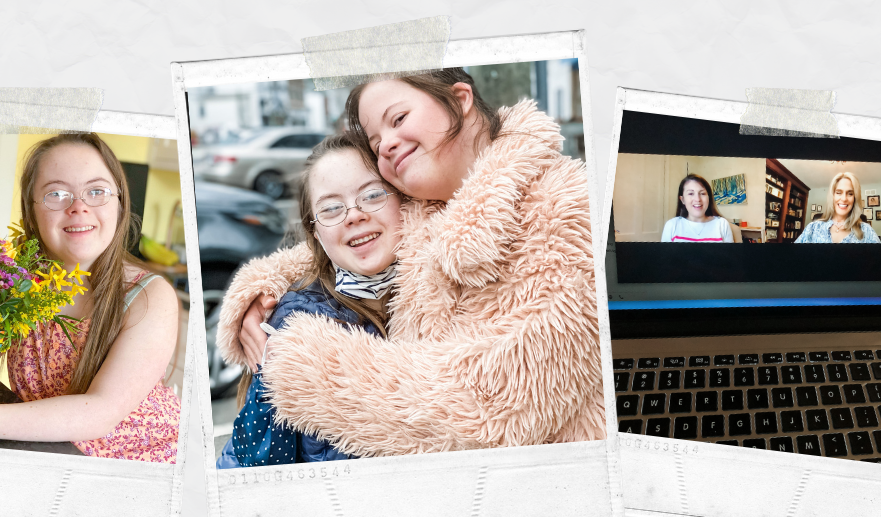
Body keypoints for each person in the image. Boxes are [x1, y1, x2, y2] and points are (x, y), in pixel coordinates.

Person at [217, 69, 604, 458]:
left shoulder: (564, 208)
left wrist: (306, 364)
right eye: (375, 141)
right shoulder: (435, 199)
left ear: (459, 99)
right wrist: (266, 288)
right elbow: (351, 239)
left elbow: (495, 410)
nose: (386, 144)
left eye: (398, 119)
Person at [0, 133, 182, 463]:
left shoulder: (149, 295)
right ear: (32, 212)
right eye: (57, 194)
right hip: (53, 453)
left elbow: (101, 412)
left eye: (97, 191)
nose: (79, 206)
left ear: (120, 203)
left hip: (137, 470)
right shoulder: (13, 279)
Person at [216, 134, 402, 468]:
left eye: (372, 194)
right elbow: (253, 464)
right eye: (331, 208)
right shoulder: (295, 323)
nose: (354, 215)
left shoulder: (447, 294)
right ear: (315, 232)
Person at [794, 172, 880, 243]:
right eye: (839, 192)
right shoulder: (812, 228)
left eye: (850, 193)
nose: (844, 199)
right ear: (832, 196)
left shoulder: (867, 231)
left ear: (855, 198)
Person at [660, 175, 735, 242]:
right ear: (682, 200)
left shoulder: (722, 224)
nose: (697, 199)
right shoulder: (672, 225)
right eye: (691, 193)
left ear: (709, 198)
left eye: (702, 193)